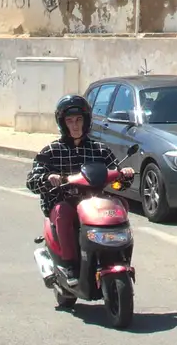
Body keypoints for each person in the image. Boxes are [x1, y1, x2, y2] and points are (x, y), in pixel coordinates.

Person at [27, 94, 125, 279]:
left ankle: (119, 256)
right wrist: (48, 178)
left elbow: (118, 177)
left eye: (79, 119)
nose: (75, 125)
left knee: (121, 206)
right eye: (70, 120)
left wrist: (124, 174)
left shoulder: (100, 149)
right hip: (64, 202)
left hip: (94, 202)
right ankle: (69, 264)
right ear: (63, 123)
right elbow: (32, 180)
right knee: (63, 212)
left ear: (86, 121)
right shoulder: (51, 151)